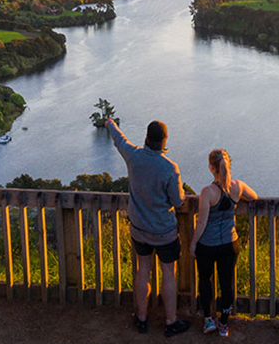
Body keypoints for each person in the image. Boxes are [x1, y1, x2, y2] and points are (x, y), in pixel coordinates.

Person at [106, 118, 191, 337]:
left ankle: (142, 318)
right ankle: (170, 321)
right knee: (168, 274)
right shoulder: (170, 168)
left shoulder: (134, 156)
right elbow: (178, 201)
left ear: (146, 138)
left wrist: (111, 124)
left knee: (142, 270)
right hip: (164, 232)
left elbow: (119, 140)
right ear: (165, 140)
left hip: (139, 230)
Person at [189, 149, 257, 338]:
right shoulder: (237, 187)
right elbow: (254, 197)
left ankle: (208, 320)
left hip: (208, 246)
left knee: (205, 281)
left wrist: (193, 244)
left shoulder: (207, 192)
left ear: (211, 168)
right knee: (226, 284)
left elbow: (202, 222)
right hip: (229, 243)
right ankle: (224, 324)